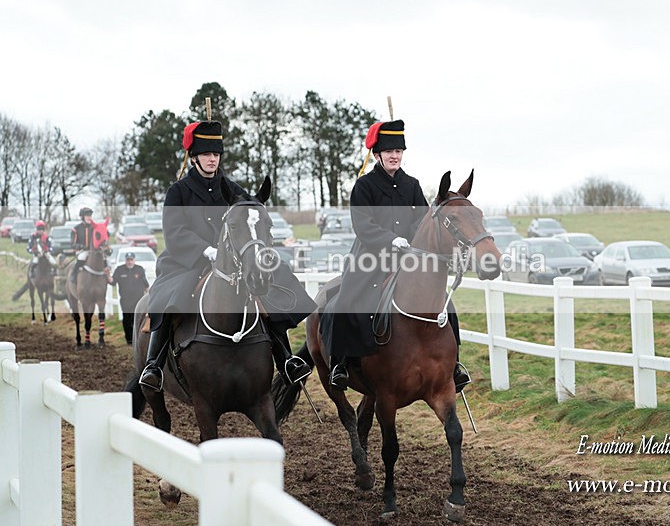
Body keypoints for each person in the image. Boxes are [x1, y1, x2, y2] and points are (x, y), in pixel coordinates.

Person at [139, 120, 314, 392]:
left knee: (269, 283)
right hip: (188, 262)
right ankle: (153, 364)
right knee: (171, 297)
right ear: (194, 157)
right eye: (207, 154)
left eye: (216, 154)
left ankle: (286, 360)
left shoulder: (231, 188)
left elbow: (250, 214)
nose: (212, 159)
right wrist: (204, 249)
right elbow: (174, 232)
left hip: (233, 260)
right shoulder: (178, 192)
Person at [320, 119, 471, 392]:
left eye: (398, 151)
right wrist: (391, 240)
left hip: (409, 257)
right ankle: (341, 363)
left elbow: (423, 220)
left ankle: (455, 365)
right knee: (348, 300)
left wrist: (412, 240)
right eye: (389, 151)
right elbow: (363, 225)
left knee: (444, 305)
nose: (394, 156)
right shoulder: (364, 186)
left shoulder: (411, 185)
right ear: (377, 155)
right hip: (370, 256)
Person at [107, 251, 150, 345]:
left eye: (131, 260)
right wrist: (107, 275)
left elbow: (146, 284)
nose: (129, 262)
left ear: (134, 260)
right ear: (125, 260)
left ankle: (138, 338)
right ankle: (129, 339)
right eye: (128, 260)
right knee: (127, 319)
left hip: (138, 300)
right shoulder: (119, 270)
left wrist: (149, 297)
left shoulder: (139, 269)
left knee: (137, 319)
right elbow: (112, 282)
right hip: (125, 300)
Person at [70, 207, 95, 283]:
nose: (89, 217)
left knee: (103, 259)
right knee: (81, 258)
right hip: (82, 251)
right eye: (87, 216)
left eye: (90, 216)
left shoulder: (94, 227)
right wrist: (82, 246)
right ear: (82, 217)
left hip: (93, 251)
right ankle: (73, 275)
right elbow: (73, 244)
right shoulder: (76, 229)